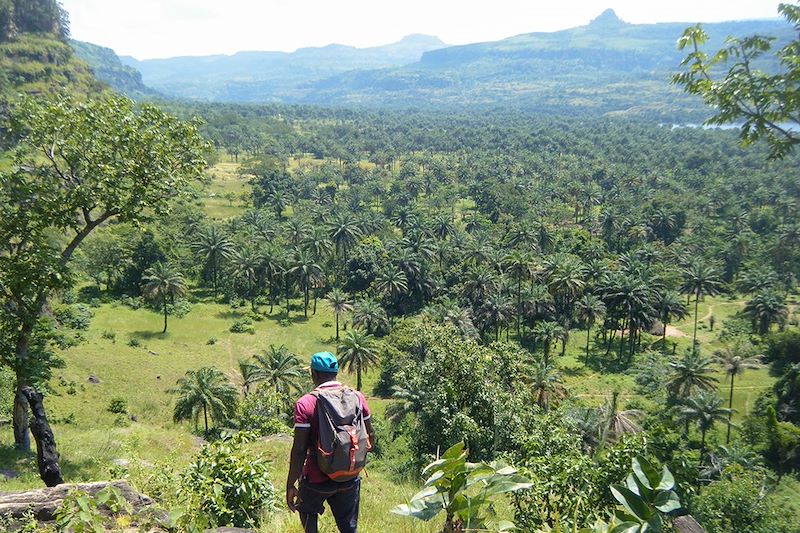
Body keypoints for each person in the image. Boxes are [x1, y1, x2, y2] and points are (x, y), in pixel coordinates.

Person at [286, 351, 375, 533]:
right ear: (335, 373)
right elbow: (370, 434)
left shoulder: (306, 403)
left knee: (309, 518)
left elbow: (299, 449)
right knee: (348, 528)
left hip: (316, 479)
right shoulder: (357, 397)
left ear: (315, 374)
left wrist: (290, 484)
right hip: (349, 476)